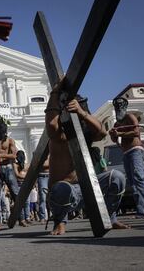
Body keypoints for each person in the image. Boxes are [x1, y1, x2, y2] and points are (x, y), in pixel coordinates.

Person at [46, 83, 130, 235]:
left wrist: (81, 112)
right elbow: (52, 125)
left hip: (89, 188)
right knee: (61, 188)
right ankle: (59, 221)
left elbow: (102, 132)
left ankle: (110, 218)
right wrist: (55, 92)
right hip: (66, 193)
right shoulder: (59, 136)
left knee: (117, 177)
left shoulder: (85, 134)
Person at [109, 97, 144, 218]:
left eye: (121, 105)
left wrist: (120, 133)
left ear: (124, 106)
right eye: (117, 106)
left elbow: (136, 132)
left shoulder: (130, 117)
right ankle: (141, 211)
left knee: (139, 178)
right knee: (133, 183)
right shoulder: (117, 123)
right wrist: (113, 135)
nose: (118, 107)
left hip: (136, 150)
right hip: (126, 153)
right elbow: (115, 139)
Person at [0, 114, 19, 230]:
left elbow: (14, 155)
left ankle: (20, 218)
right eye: (0, 132)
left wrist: (1, 155)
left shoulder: (10, 140)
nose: (2, 134)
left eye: (3, 132)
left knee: (15, 193)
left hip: (8, 167)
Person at [13, 150, 31, 226]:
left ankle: (27, 217)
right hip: (19, 184)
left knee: (27, 202)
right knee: (22, 202)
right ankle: (23, 218)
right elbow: (17, 175)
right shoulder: (15, 165)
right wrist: (26, 177)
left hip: (25, 184)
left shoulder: (27, 165)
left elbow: (30, 174)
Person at [37, 156, 49, 224]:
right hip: (42, 177)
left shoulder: (51, 153)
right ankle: (42, 217)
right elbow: (39, 164)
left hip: (51, 175)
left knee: (54, 196)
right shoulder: (38, 153)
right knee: (43, 198)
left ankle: (56, 215)